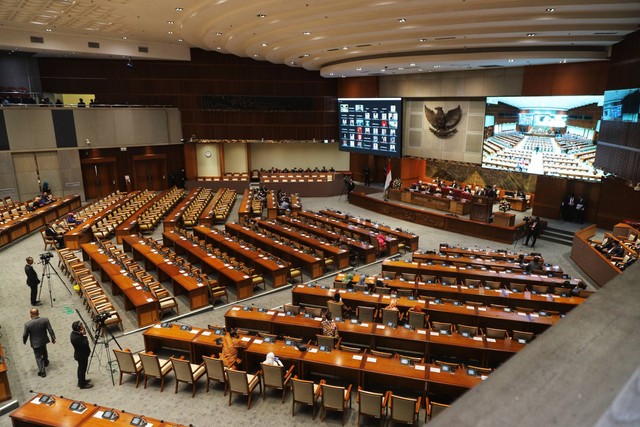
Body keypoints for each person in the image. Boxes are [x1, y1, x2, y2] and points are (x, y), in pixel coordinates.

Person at [23, 308, 56, 377]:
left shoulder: (28, 324)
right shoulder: (45, 320)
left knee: (38, 357)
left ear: (31, 315)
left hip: (35, 343)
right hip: (44, 340)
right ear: (38, 313)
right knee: (44, 351)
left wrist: (24, 341)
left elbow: (25, 335)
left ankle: (42, 371)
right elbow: (50, 329)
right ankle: (46, 361)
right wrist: (53, 338)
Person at [70, 321, 93, 389]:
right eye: (81, 325)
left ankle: (82, 380)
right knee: (82, 369)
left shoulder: (75, 333)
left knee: (82, 369)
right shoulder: (76, 337)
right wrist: (85, 335)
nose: (82, 326)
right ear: (78, 328)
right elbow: (85, 343)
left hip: (81, 354)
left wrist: (82, 334)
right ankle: (82, 384)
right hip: (81, 355)